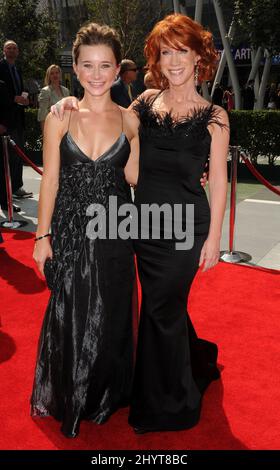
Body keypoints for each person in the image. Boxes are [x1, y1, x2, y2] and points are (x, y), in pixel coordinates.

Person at [51, 13, 229, 434]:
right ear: (157, 58)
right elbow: (105, 110)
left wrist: (215, 237)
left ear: (199, 55)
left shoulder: (215, 116)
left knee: (160, 308)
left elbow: (218, 179)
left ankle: (170, 402)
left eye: (182, 51)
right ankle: (193, 358)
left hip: (185, 226)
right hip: (140, 225)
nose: (174, 61)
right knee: (161, 307)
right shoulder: (144, 102)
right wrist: (69, 101)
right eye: (166, 51)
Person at [31, 22, 139, 438]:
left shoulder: (131, 121)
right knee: (71, 312)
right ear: (74, 68)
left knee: (110, 312)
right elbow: (51, 182)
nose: (97, 74)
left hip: (115, 230)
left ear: (117, 71)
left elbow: (135, 177)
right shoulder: (60, 117)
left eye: (105, 65)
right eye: (88, 65)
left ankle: (105, 392)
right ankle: (72, 394)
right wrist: (42, 237)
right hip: (70, 232)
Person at [0, 40, 33, 202]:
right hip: (5, 121)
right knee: (7, 158)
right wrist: (14, 98)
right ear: (4, 51)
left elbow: (20, 90)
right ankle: (6, 193)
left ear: (18, 51)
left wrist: (25, 98)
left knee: (18, 154)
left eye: (14, 48)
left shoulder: (17, 70)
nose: (12, 51)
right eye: (9, 48)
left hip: (19, 118)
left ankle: (16, 187)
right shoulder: (1, 68)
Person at [37, 64, 70, 133]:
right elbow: (42, 115)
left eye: (57, 73)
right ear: (48, 76)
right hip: (52, 128)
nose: (55, 75)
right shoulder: (45, 91)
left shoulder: (66, 91)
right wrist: (45, 134)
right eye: (52, 73)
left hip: (65, 128)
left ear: (60, 75)